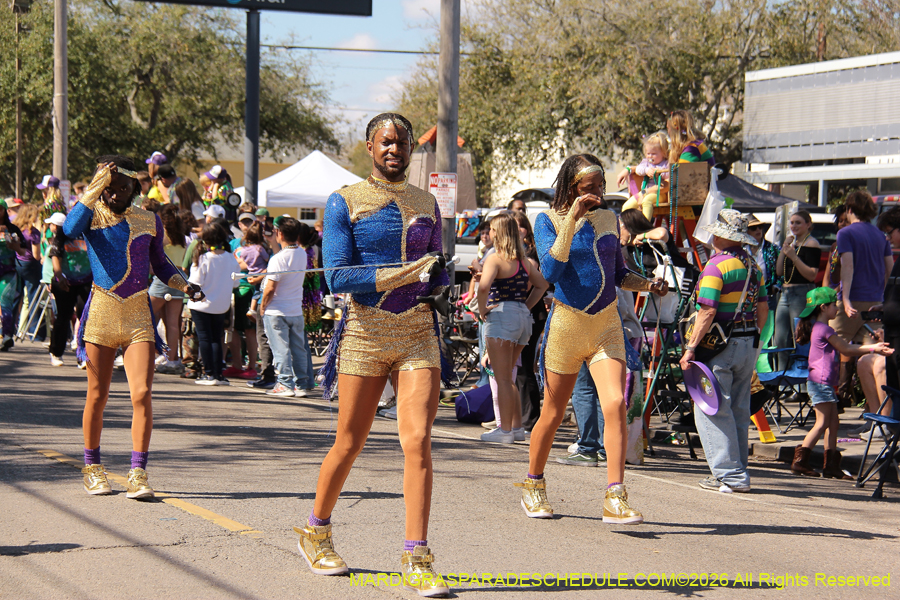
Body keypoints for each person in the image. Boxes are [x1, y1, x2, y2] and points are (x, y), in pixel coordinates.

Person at [297, 113, 451, 597]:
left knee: (418, 440)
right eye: (386, 142)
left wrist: (441, 278)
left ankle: (417, 555)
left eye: (402, 143)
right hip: (364, 332)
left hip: (417, 333)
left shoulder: (427, 202)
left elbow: (438, 272)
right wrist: (404, 274)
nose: (394, 150)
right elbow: (337, 278)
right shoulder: (344, 201)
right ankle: (316, 529)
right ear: (369, 146)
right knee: (349, 442)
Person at [527, 154, 667, 523]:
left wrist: (649, 283)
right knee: (552, 414)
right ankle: (534, 483)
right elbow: (550, 271)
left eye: (601, 185)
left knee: (615, 403)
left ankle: (614, 496)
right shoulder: (547, 219)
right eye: (589, 188)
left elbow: (620, 273)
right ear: (572, 187)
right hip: (567, 326)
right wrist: (571, 220)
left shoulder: (609, 218)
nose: (598, 193)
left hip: (606, 325)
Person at [63, 156, 202, 499]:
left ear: (135, 189)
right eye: (109, 190)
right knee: (98, 395)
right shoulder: (91, 216)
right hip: (101, 313)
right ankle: (93, 468)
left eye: (122, 189)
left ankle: (138, 473)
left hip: (139, 313)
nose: (115, 195)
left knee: (141, 393)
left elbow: (161, 263)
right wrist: (97, 183)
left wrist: (186, 286)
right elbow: (68, 228)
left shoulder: (149, 220)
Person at [680, 210, 767, 494]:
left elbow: (707, 310)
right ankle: (739, 468)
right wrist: (755, 340)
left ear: (720, 235)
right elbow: (763, 308)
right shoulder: (753, 265)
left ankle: (729, 475)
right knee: (739, 410)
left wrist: (691, 347)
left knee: (711, 409)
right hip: (748, 342)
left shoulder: (716, 266)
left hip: (720, 346)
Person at [791, 286, 892, 478]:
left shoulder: (819, 328)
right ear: (823, 308)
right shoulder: (824, 329)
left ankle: (831, 466)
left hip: (823, 382)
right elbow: (846, 349)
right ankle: (801, 461)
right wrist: (873, 348)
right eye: (834, 306)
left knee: (833, 423)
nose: (837, 310)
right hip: (821, 382)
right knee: (822, 423)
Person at [476, 212, 549, 442]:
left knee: (502, 378)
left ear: (499, 232)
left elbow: (483, 287)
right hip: (522, 318)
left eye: (493, 229)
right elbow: (542, 284)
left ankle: (505, 430)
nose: (490, 233)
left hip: (502, 317)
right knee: (510, 376)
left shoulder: (495, 259)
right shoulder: (524, 261)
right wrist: (525, 306)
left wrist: (481, 309)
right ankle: (516, 428)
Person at [831, 191, 892, 402]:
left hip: (852, 300)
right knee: (874, 358)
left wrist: (845, 298)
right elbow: (889, 270)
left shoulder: (845, 233)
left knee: (830, 349)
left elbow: (848, 266)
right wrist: (885, 299)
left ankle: (829, 402)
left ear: (849, 210)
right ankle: (878, 414)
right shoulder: (880, 236)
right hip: (875, 301)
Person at [260, 217, 311, 397]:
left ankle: (285, 383)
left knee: (280, 349)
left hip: (277, 310)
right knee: (298, 349)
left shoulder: (277, 259)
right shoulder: (302, 253)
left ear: (279, 233)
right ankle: (301, 384)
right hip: (295, 309)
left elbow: (270, 288)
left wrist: (263, 306)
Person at [187, 222, 241, 385]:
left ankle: (209, 373)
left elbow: (194, 283)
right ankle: (218, 374)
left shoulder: (202, 258)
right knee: (217, 339)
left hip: (201, 305)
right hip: (221, 305)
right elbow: (236, 283)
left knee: (205, 338)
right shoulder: (230, 258)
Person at [511, 210, 547, 430]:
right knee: (516, 369)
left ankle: (530, 418)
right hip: (520, 313)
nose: (516, 230)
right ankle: (514, 417)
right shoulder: (511, 252)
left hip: (531, 314)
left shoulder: (531, 252)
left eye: (519, 225)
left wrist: (524, 308)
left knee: (524, 368)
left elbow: (532, 283)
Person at [773, 210, 822, 370]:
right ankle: (783, 381)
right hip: (785, 293)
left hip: (802, 292)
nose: (794, 226)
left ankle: (801, 384)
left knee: (800, 338)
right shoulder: (792, 246)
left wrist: (794, 257)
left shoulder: (812, 243)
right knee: (780, 339)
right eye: (792, 223)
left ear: (808, 225)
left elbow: (811, 275)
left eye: (798, 222)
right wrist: (784, 249)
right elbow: (779, 271)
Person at [45, 212, 92, 367]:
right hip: (64, 280)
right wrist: (59, 276)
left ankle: (83, 354)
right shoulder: (62, 233)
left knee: (84, 316)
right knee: (64, 316)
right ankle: (56, 352)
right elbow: (55, 255)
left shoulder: (90, 233)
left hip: (85, 280)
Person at [149, 204, 189, 374]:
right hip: (180, 278)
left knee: (144, 315)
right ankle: (172, 359)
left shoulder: (160, 236)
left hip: (163, 277)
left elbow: (154, 261)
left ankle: (146, 355)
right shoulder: (182, 238)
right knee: (173, 323)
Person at [225, 219, 267, 380]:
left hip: (250, 290)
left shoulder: (263, 247)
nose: (246, 225)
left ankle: (251, 366)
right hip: (235, 290)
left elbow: (268, 265)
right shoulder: (235, 243)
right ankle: (237, 365)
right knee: (233, 329)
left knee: (250, 330)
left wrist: (254, 274)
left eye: (249, 222)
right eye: (243, 222)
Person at [618, 132, 670, 220]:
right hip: (644, 192)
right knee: (627, 205)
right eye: (648, 153)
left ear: (663, 153)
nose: (650, 156)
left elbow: (668, 175)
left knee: (647, 201)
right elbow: (638, 169)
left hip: (659, 194)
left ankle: (645, 225)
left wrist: (660, 172)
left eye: (654, 154)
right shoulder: (646, 163)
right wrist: (646, 170)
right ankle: (626, 226)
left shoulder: (665, 164)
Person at [12, 203, 44, 341]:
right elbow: (36, 255)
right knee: (33, 298)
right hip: (30, 265)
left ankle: (7, 329)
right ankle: (35, 333)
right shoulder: (33, 232)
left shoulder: (14, 229)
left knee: (15, 297)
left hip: (17, 263)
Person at [0, 198, 24, 350]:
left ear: (4, 211)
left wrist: (11, 240)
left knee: (5, 303)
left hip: (8, 271)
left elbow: (22, 250)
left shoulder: (11, 229)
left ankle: (7, 335)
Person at [747, 215, 781, 312]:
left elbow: (783, 271)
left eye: (760, 227)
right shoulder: (742, 249)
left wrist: (776, 287)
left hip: (767, 296)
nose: (758, 230)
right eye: (753, 228)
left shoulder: (773, 248)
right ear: (746, 231)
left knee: (768, 326)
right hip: (746, 297)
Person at [822, 206, 848, 290]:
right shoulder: (834, 245)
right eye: (840, 221)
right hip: (831, 290)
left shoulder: (854, 245)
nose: (843, 224)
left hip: (844, 291)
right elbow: (827, 275)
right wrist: (825, 293)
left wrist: (835, 293)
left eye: (847, 221)